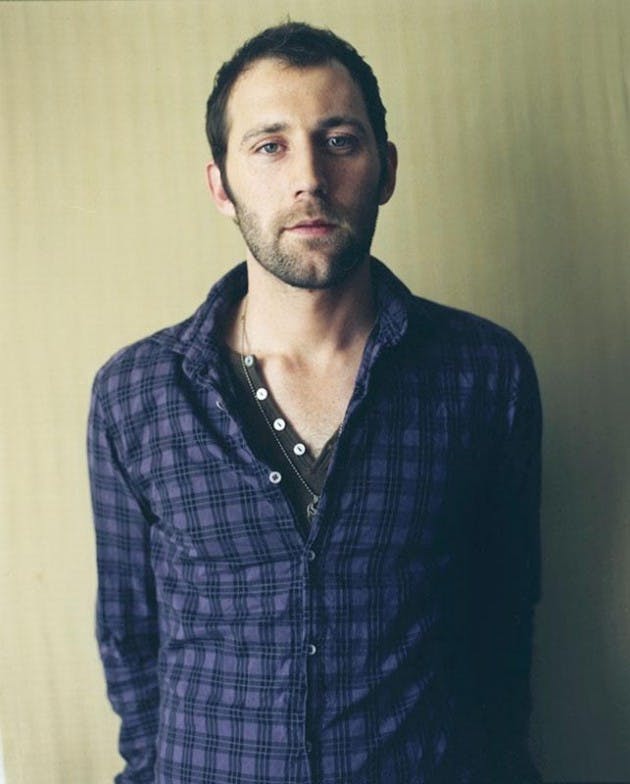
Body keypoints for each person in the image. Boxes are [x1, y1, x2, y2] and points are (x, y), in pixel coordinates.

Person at [88, 21, 542, 784]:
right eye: (270, 146)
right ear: (221, 186)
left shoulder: (484, 374)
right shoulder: (135, 394)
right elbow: (130, 635)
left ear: (385, 169)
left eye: (339, 141)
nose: (309, 178)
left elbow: (505, 620)